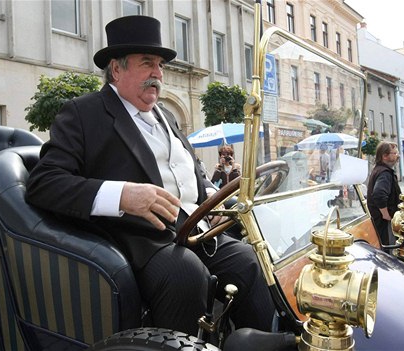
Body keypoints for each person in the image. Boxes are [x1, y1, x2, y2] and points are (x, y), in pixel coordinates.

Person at [26, 16, 274, 335]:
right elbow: (44, 183)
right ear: (117, 69)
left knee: (250, 259)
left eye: (160, 65)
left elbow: (193, 175)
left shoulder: (167, 116)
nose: (158, 74)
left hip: (196, 230)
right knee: (186, 274)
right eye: (147, 63)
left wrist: (212, 200)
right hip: (140, 241)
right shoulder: (83, 113)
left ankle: (263, 340)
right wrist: (123, 196)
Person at [366, 142, 402, 251]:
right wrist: (386, 214)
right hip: (386, 223)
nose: (398, 155)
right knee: (391, 253)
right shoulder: (384, 173)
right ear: (385, 156)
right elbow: (379, 194)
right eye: (394, 153)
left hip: (383, 221)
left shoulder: (380, 170)